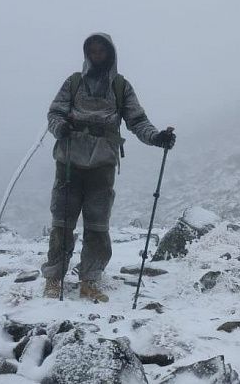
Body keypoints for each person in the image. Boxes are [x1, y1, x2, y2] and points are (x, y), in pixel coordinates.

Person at [41, 32, 176, 302]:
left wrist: (157, 138)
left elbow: (137, 121)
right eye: (92, 51)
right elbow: (54, 113)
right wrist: (60, 128)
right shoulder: (74, 82)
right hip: (69, 158)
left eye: (101, 51)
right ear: (87, 53)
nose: (96, 55)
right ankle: (54, 277)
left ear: (110, 53)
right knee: (62, 221)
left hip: (102, 161)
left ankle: (90, 280)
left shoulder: (121, 86)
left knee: (97, 224)